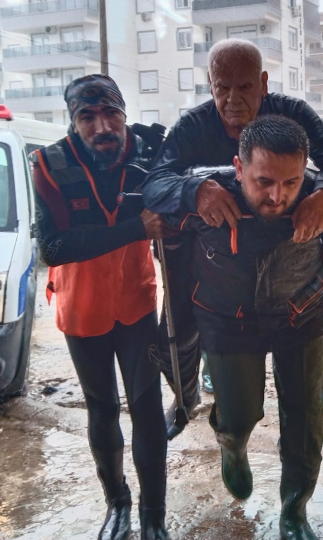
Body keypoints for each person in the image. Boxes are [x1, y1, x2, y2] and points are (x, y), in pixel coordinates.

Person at [142, 39, 323, 438]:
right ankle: (184, 393)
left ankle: (322, 384)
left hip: (288, 234)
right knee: (177, 316)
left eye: (244, 88)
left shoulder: (292, 113)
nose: (232, 99)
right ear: (210, 86)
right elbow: (156, 181)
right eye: (222, 87)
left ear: (263, 83)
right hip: (216, 244)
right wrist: (196, 190)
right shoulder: (193, 126)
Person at [165, 116, 323, 540]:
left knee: (306, 419)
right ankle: (232, 446)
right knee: (237, 416)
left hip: (301, 312)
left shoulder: (318, 195)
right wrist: (188, 194)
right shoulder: (207, 193)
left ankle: (295, 510)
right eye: (264, 181)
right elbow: (159, 204)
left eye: (291, 183)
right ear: (238, 168)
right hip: (226, 317)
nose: (277, 196)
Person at [30, 75, 177, 540]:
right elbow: (52, 247)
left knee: (147, 408)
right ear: (73, 123)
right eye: (87, 117)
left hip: (136, 303)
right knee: (102, 410)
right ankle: (118, 504)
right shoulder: (49, 164)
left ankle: (155, 513)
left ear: (125, 112)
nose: (102, 126)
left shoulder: (150, 150)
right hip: (82, 309)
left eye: (111, 113)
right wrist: (136, 228)